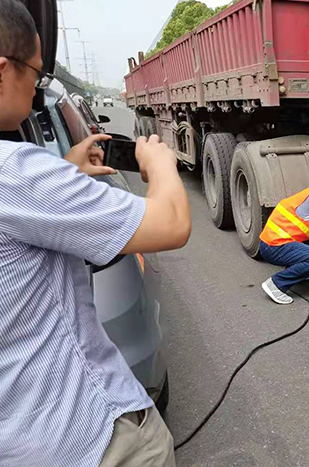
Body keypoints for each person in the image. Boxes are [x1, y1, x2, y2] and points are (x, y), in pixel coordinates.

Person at [0, 1, 190, 466]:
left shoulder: (27, 185)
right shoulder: (17, 172)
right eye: (37, 75)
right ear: (2, 69)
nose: (36, 90)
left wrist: (63, 172)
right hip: (90, 438)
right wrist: (162, 164)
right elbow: (171, 222)